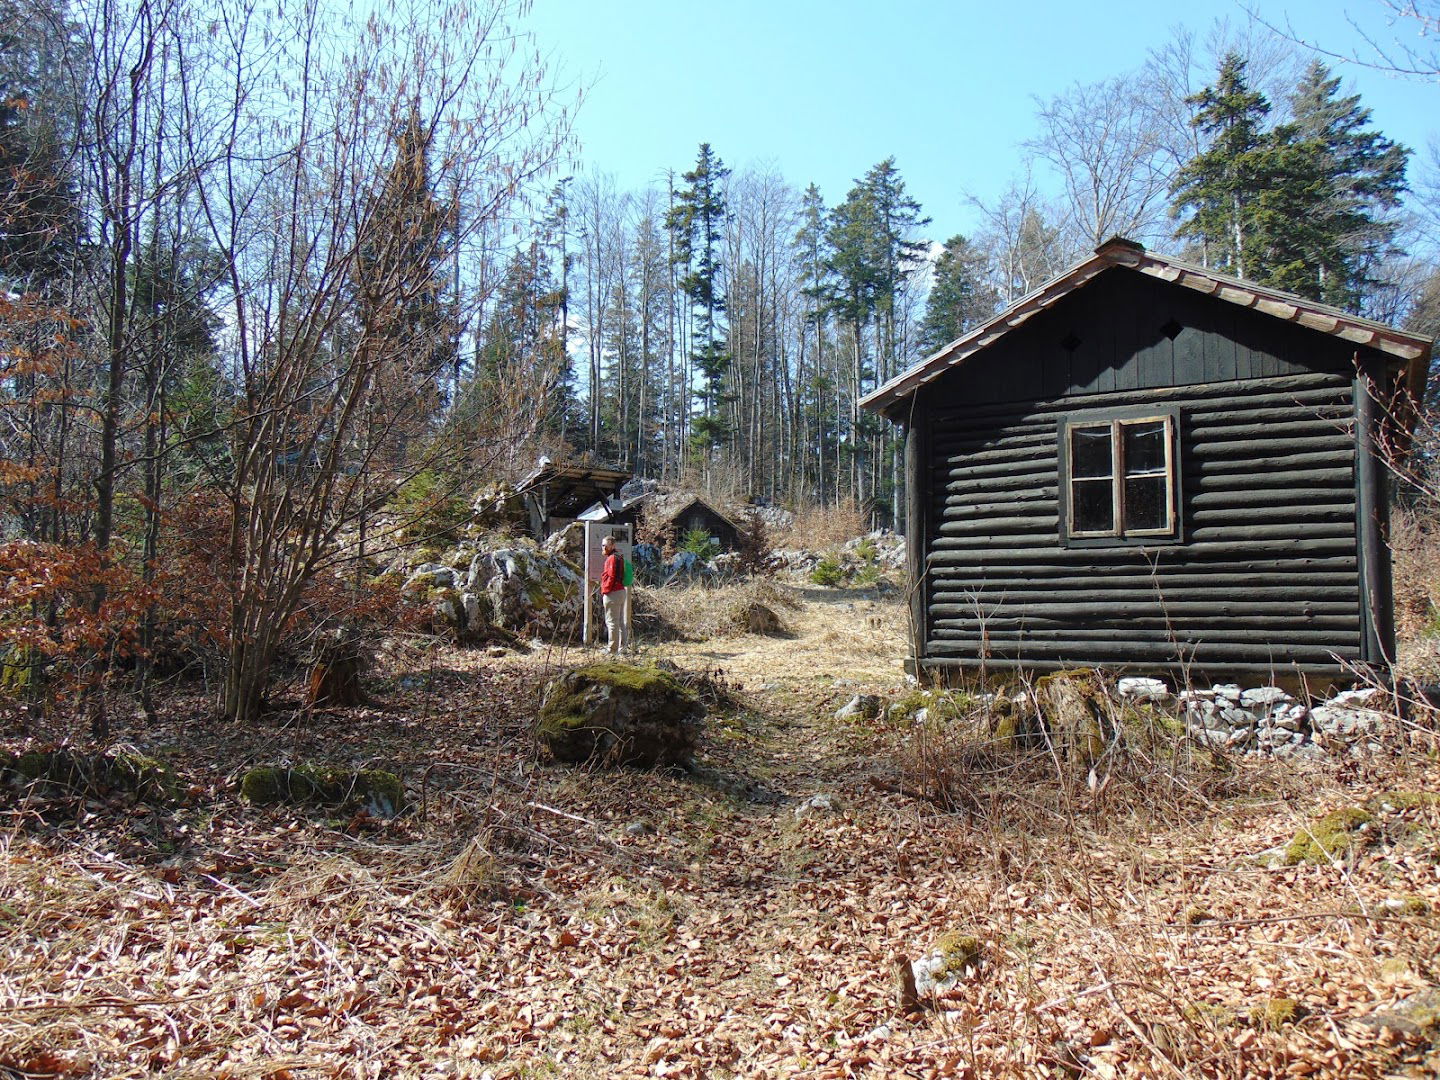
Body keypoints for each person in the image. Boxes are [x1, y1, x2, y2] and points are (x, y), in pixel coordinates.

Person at [599, 534, 629, 655]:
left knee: (612, 622)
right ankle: (623, 647)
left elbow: (611, 577)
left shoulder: (611, 559)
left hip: (613, 593)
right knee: (620, 622)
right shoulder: (619, 557)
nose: (603, 548)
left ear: (612, 546)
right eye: (602, 545)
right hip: (621, 591)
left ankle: (612, 650)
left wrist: (605, 590)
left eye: (605, 545)